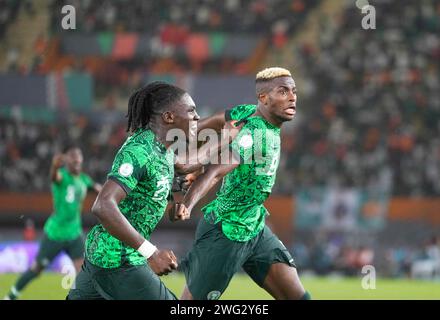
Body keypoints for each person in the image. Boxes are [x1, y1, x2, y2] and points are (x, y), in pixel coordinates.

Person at [67, 81, 241, 300]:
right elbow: (103, 205)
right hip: (119, 259)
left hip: (101, 256)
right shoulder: (139, 151)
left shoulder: (163, 148)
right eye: (191, 111)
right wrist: (152, 253)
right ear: (169, 117)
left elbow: (186, 164)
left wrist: (225, 138)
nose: (197, 117)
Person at [173, 67, 311, 300]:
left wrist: (191, 134)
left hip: (254, 224)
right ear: (264, 98)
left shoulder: (248, 112)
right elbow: (217, 171)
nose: (292, 97)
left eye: (293, 91)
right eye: (283, 91)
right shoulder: (257, 134)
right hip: (226, 230)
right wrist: (188, 203)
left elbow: (219, 118)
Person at [4, 146, 102, 300]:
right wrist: (55, 165)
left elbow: (99, 189)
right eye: (73, 160)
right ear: (68, 162)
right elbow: (53, 176)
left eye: (78, 160)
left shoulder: (83, 179)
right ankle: (11, 295)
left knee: (83, 270)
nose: (76, 163)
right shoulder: (62, 176)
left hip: (74, 234)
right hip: (55, 234)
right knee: (37, 269)